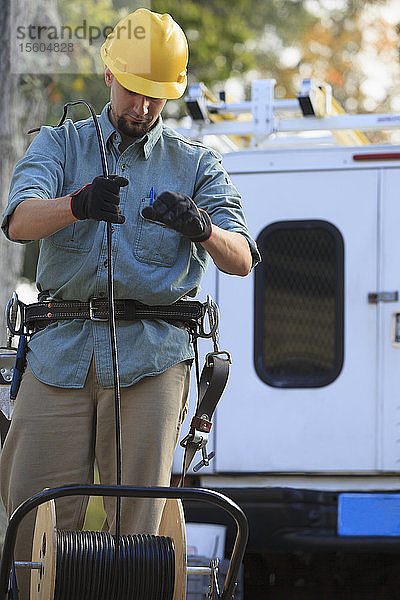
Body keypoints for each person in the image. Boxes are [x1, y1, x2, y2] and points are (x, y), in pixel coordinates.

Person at [0, 7, 260, 597]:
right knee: (31, 520)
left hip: (152, 358)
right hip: (58, 353)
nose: (143, 108)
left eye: (157, 97)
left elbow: (241, 258)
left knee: (137, 534)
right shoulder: (59, 144)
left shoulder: (195, 163)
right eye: (134, 91)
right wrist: (76, 204)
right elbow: (17, 221)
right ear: (110, 75)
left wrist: (202, 230)